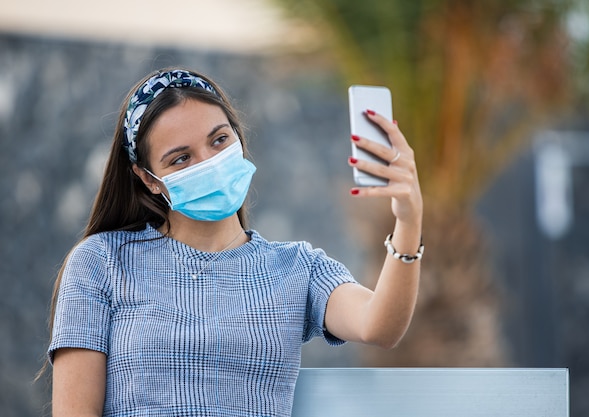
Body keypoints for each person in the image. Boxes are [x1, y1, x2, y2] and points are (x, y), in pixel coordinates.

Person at [47, 67, 424, 417]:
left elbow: (380, 326)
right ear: (149, 180)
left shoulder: (298, 268)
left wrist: (408, 219)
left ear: (238, 138)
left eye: (219, 140)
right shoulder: (101, 262)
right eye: (180, 159)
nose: (209, 161)